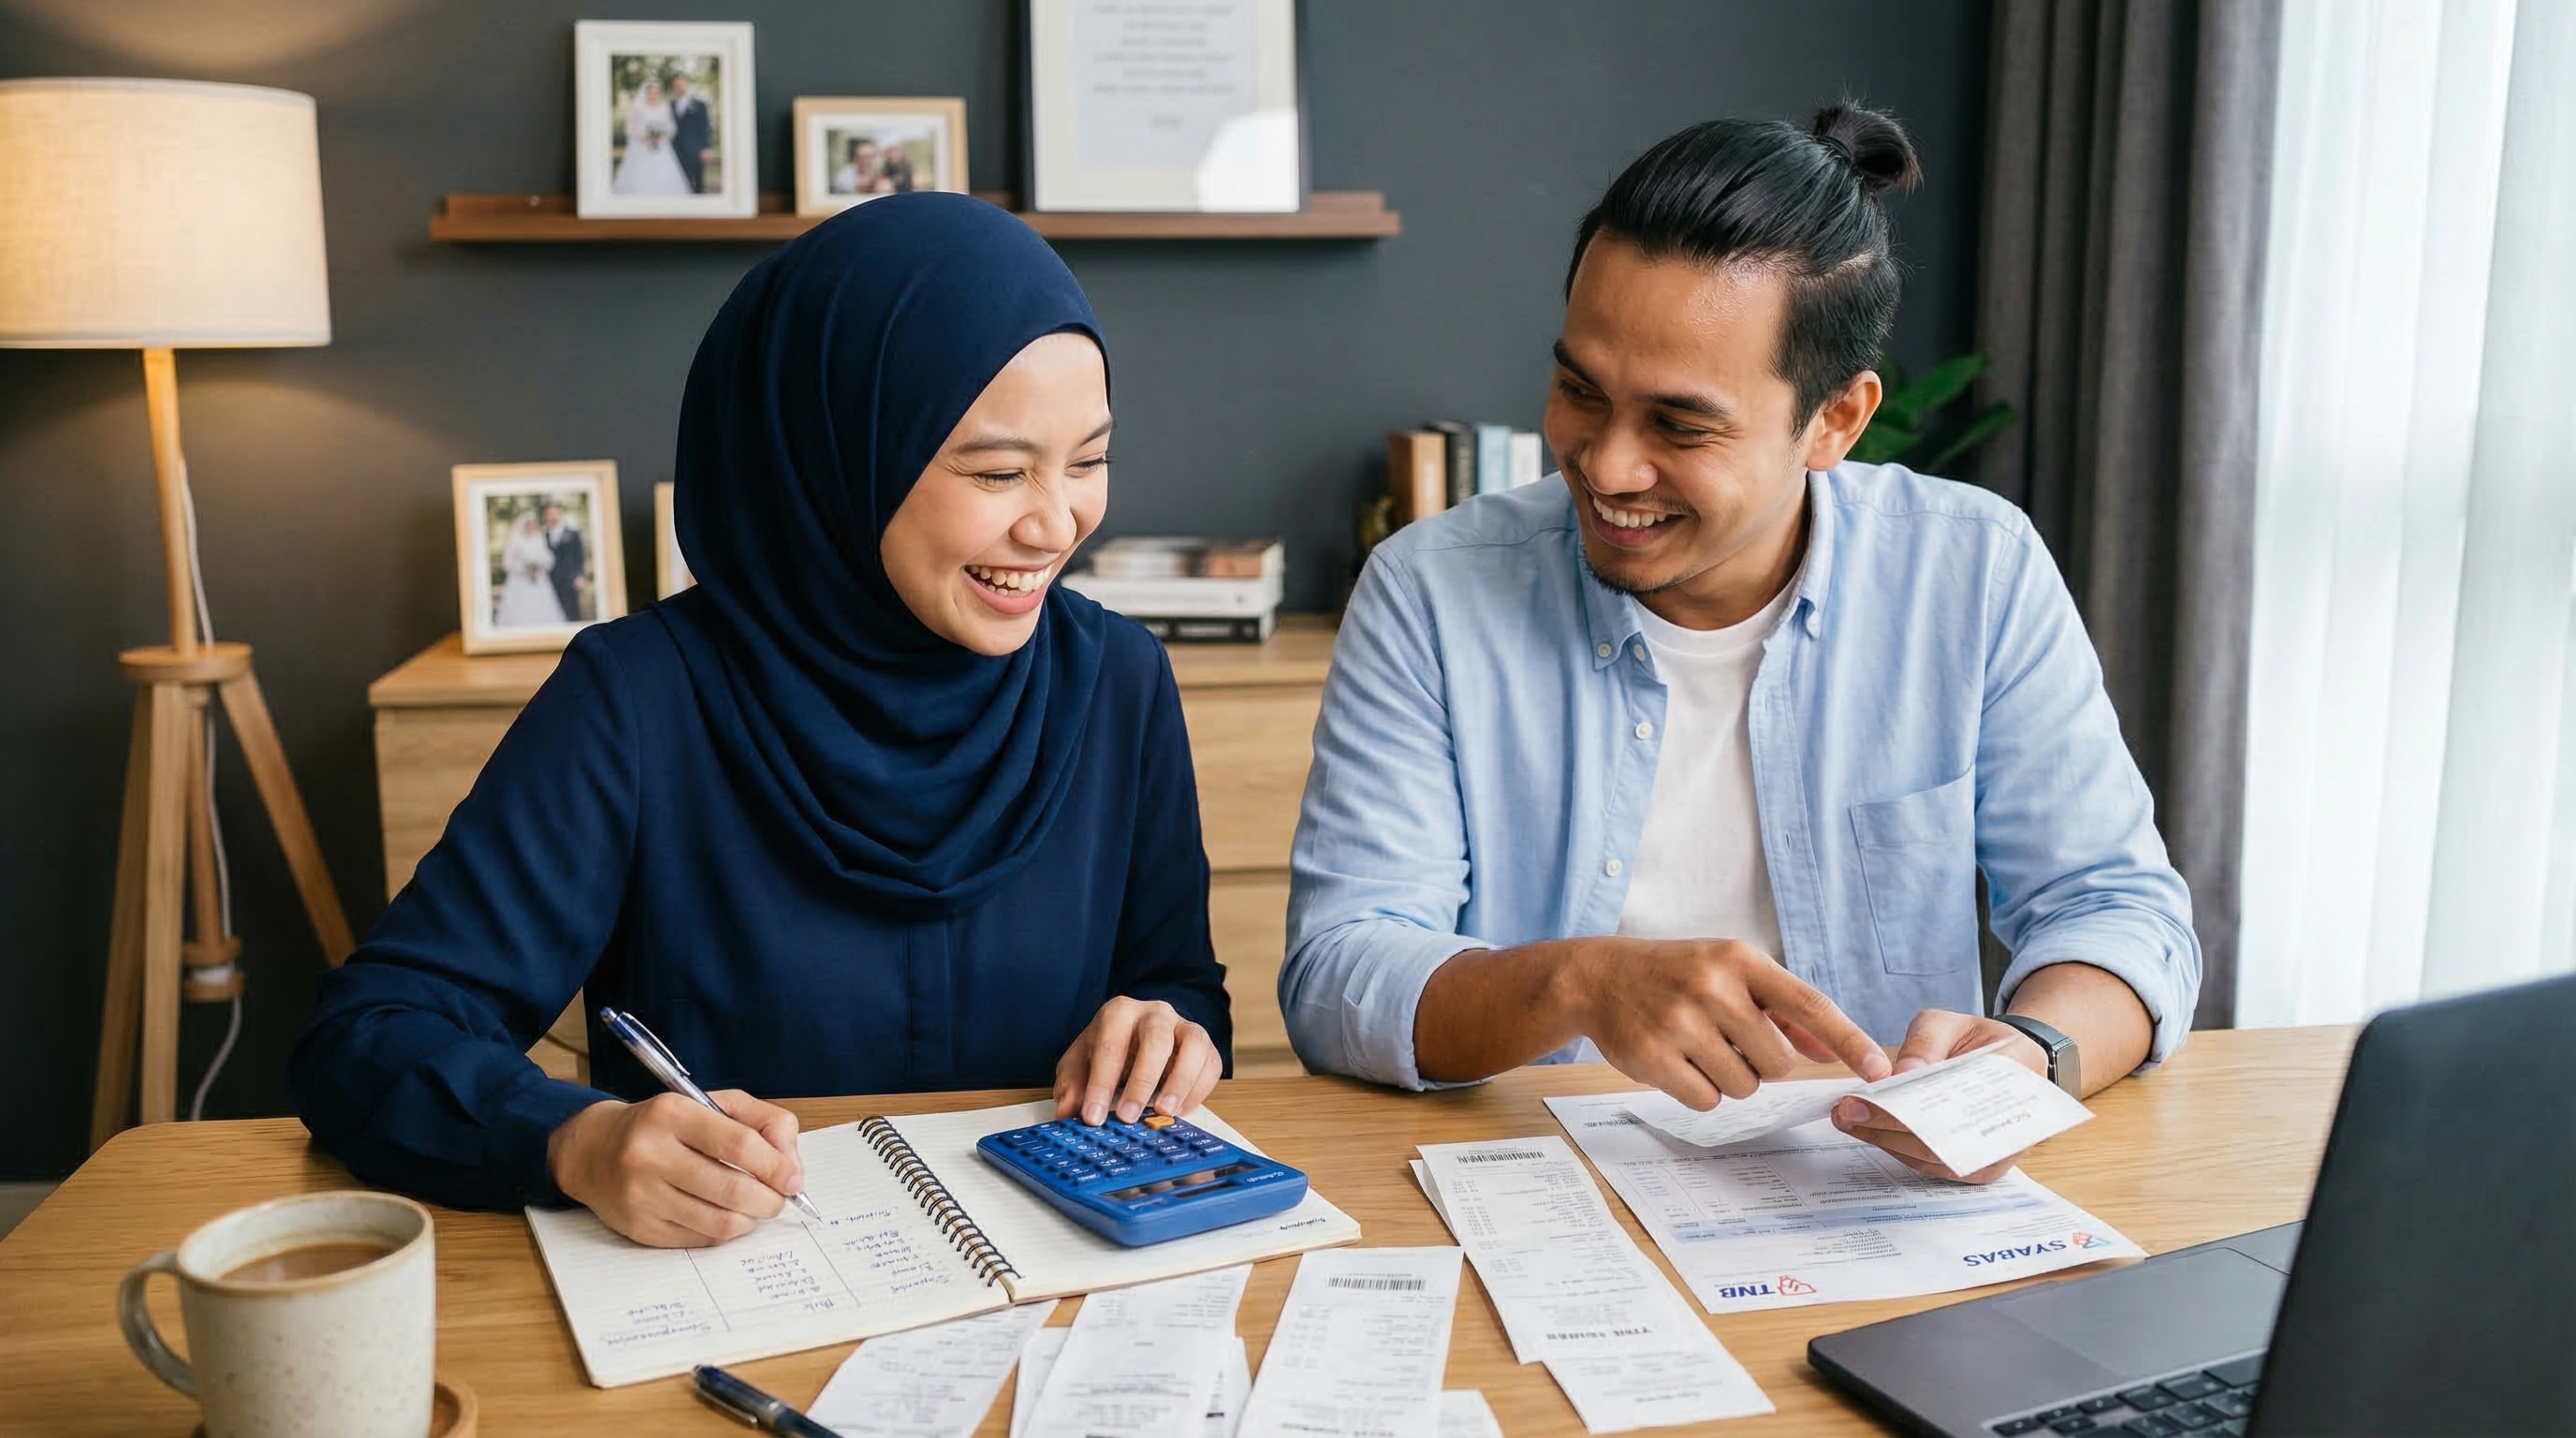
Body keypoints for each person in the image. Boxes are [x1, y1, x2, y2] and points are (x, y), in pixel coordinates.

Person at [1281, 106, 2199, 1184]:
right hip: (1536, 1192)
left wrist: (2034, 1056)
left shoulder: (1971, 571)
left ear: (1835, 422)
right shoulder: (1433, 591)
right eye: (1580, 390)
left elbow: (2115, 909)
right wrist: (1578, 983)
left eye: (1679, 425)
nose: (1608, 466)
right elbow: (1341, 972)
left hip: (1874, 1196)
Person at [292, 193, 1230, 1247]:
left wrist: (1168, 1031)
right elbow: (367, 1037)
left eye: (1089, 461)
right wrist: (572, 1141)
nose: (1057, 521)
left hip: (1067, 1288)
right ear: (840, 454)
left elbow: (1174, 984)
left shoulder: (1118, 682)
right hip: (736, 1295)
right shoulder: (639, 698)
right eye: (999, 471)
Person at [611, 79, 691, 197]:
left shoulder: (665, 108)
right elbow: (629, 128)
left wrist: (661, 135)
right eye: (651, 93)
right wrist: (645, 136)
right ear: (646, 93)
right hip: (641, 148)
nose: (654, 95)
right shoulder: (638, 108)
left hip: (662, 148)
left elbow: (672, 127)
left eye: (656, 93)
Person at [492, 511, 565, 626]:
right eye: (528, 524)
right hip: (519, 581)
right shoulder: (516, 540)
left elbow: (548, 558)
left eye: (532, 524)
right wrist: (525, 569)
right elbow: (507, 563)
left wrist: (540, 567)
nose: (530, 527)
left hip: (539, 580)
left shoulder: (539, 538)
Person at [541, 501, 587, 622]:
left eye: (554, 513)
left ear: (559, 514)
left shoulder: (573, 534)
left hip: (570, 578)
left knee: (572, 612)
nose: (551, 516)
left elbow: (580, 556)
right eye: (548, 514)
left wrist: (580, 576)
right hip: (551, 580)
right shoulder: (543, 536)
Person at [666, 72, 711, 194]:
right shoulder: (670, 105)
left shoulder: (699, 105)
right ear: (673, 87)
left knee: (697, 184)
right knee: (680, 182)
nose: (679, 87)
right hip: (675, 151)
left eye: (682, 84)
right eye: (676, 85)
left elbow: (705, 127)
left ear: (687, 85)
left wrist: (706, 148)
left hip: (695, 150)